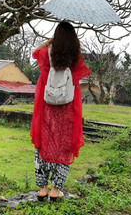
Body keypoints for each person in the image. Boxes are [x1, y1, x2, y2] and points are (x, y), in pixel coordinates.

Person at [30, 21, 91, 201]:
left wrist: (49, 42)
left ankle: (42, 188)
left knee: (44, 142)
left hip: (46, 105)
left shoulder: (47, 53)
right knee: (64, 145)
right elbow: (80, 74)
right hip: (67, 106)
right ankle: (56, 190)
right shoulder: (75, 56)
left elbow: (35, 52)